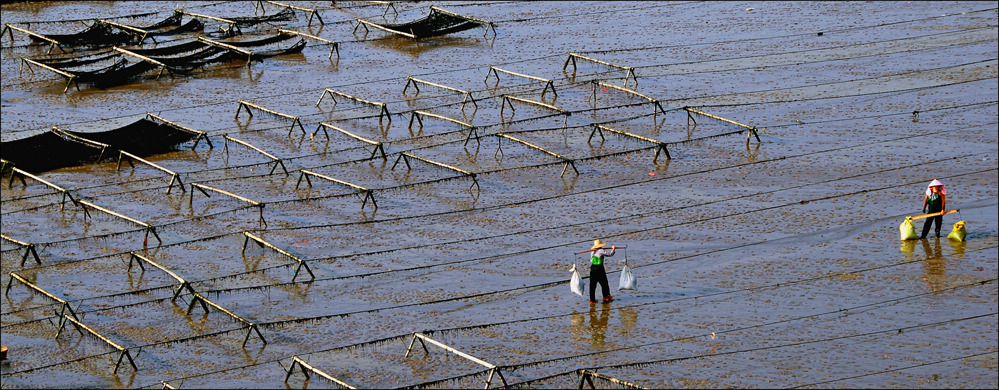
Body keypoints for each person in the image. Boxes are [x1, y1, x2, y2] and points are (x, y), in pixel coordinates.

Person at [588, 239, 616, 304]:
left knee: (592, 285)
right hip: (599, 268)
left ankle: (592, 300)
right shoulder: (601, 251)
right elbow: (610, 254)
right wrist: (613, 249)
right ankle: (606, 296)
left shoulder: (592, 251)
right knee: (604, 282)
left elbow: (591, 261)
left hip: (592, 268)